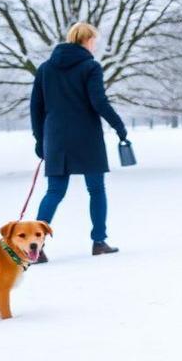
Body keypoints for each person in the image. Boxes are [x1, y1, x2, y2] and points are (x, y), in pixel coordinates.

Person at [29, 22, 128, 261]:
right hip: (86, 137)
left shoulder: (45, 69)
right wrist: (119, 126)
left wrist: (40, 139)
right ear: (86, 40)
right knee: (96, 189)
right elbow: (99, 102)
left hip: (56, 138)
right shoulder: (90, 67)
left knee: (54, 191)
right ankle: (99, 241)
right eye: (94, 40)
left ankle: (35, 247)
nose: (95, 45)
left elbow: (36, 107)